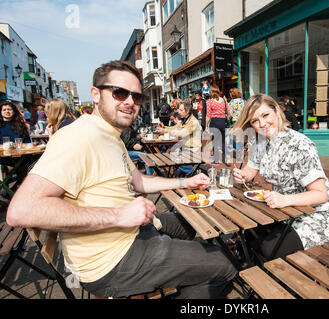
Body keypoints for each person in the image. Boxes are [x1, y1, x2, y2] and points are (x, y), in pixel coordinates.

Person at [6, 60, 237, 299]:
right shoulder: (79, 136)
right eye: (119, 93)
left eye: (136, 97)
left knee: (195, 219)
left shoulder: (110, 135)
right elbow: (22, 210)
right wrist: (120, 215)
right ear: (95, 94)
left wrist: (183, 183)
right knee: (223, 265)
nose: (130, 102)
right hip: (113, 260)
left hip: (134, 232)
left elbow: (138, 182)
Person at [232, 94, 329, 258]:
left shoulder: (299, 144)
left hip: (318, 215)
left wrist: (285, 200)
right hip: (286, 211)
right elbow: (250, 171)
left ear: (277, 111)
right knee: (249, 232)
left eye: (265, 115)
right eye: (255, 121)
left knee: (269, 247)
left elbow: (321, 195)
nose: (262, 124)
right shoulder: (263, 143)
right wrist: (243, 175)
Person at [155, 98, 201, 176]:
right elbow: (175, 128)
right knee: (166, 154)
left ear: (187, 111)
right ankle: (177, 176)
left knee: (174, 158)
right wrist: (164, 128)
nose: (178, 111)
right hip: (184, 149)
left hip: (192, 150)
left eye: (181, 110)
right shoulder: (185, 120)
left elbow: (181, 134)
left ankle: (192, 174)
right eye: (179, 109)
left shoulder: (193, 122)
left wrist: (165, 131)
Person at [206, 85, 230, 163]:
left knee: (215, 141)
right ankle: (227, 157)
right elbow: (228, 113)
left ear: (211, 92)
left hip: (214, 122)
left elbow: (208, 115)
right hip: (222, 121)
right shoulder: (223, 100)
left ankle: (216, 160)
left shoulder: (209, 102)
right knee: (223, 141)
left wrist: (206, 125)